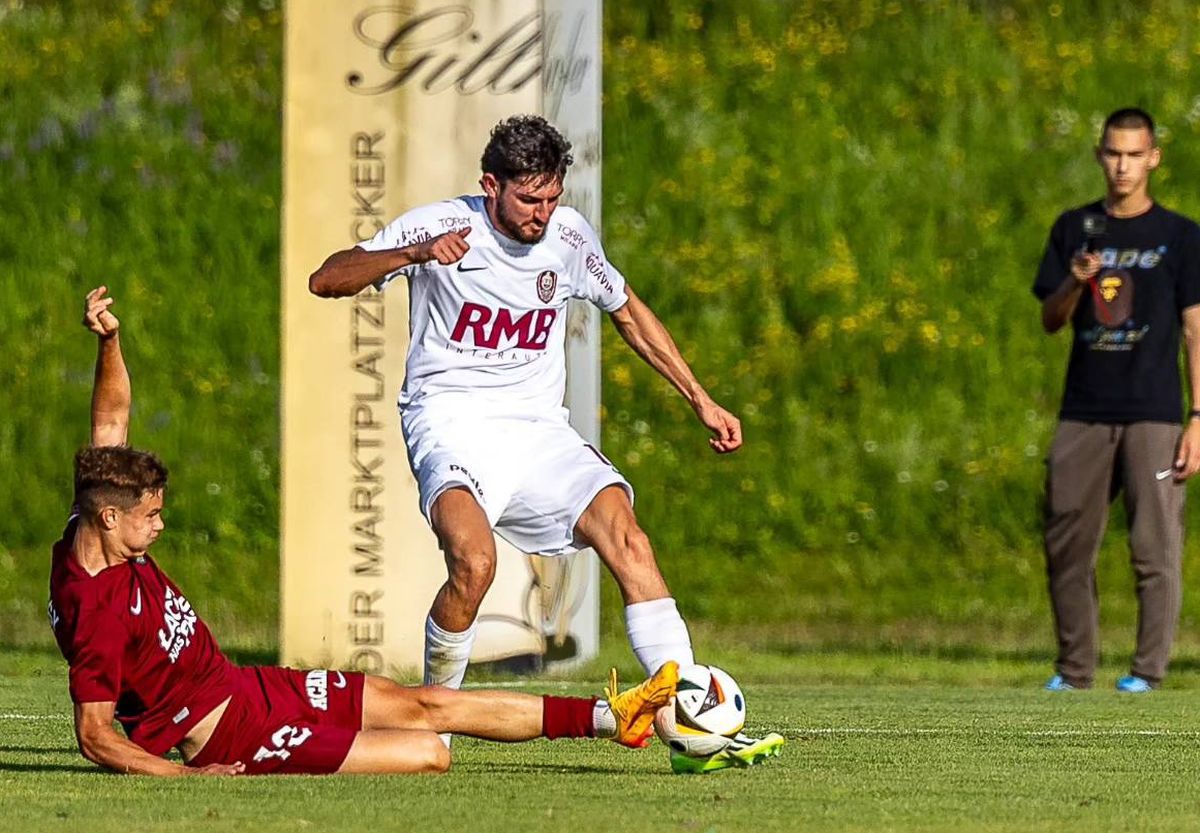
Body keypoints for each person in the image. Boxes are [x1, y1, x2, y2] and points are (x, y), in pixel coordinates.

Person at [49, 286, 679, 776]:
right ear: (111, 517)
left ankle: (612, 717)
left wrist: (109, 342)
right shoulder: (95, 608)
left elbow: (111, 419)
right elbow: (96, 734)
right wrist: (182, 778)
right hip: (232, 733)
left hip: (251, 687)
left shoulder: (97, 511)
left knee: (421, 704)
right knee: (430, 752)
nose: (160, 526)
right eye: (151, 517)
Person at [308, 115, 739, 695]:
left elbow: (627, 310)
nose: (542, 213)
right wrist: (413, 254)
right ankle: (439, 714)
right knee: (474, 566)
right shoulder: (440, 225)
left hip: (537, 430)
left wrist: (700, 399)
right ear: (491, 186)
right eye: (530, 199)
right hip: (450, 423)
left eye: (552, 198)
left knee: (630, 539)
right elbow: (326, 279)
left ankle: (688, 704)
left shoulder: (567, 236)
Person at [1033, 107, 1200, 692]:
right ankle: (1073, 670)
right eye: (1113, 153)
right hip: (1085, 408)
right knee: (1067, 542)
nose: (1123, 166)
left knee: (1154, 549)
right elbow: (1052, 320)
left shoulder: (1180, 236)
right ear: (1100, 156)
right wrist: (1075, 282)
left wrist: (1198, 417)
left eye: (1134, 154)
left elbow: (1195, 328)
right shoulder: (1074, 227)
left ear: (1153, 158)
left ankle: (1146, 672)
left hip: (1153, 410)